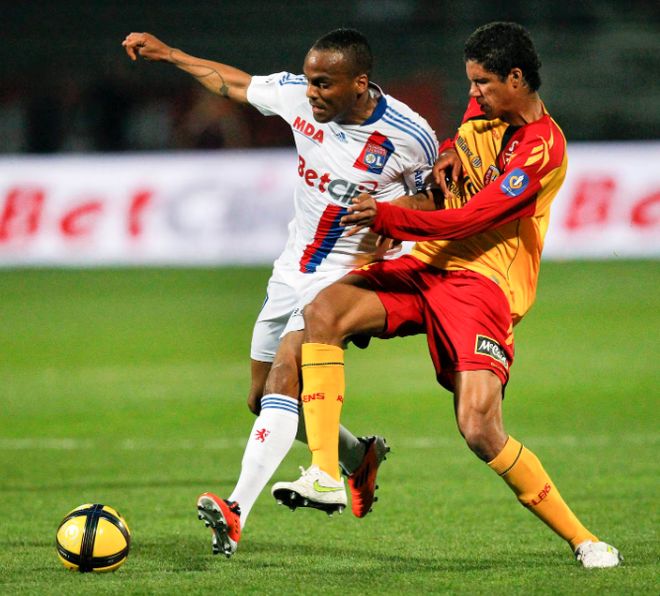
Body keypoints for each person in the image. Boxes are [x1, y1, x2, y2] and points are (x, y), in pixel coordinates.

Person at [272, 22, 622, 569]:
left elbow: (472, 218)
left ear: (515, 78)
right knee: (325, 310)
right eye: (470, 81)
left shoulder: (542, 149)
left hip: (483, 283)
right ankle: (324, 471)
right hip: (429, 264)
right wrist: (450, 148)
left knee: (479, 428)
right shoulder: (483, 107)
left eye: (482, 83)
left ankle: (585, 540)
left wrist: (391, 217)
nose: (472, 93)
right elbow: (464, 133)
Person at [122, 28, 439, 557]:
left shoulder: (410, 134)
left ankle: (236, 511)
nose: (311, 92)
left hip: (346, 277)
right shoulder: (297, 97)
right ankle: (358, 456)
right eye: (310, 81)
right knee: (262, 398)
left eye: (324, 84)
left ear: (360, 83)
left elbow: (435, 200)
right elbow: (234, 84)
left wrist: (396, 215)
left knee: (287, 373)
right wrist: (170, 54)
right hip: (292, 268)